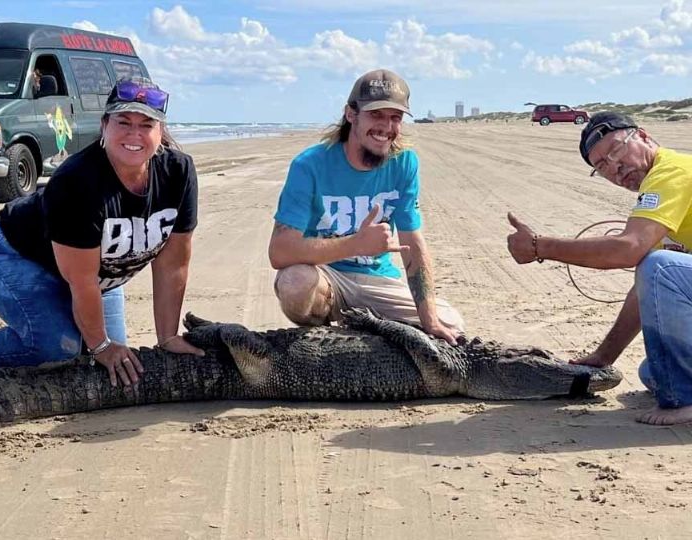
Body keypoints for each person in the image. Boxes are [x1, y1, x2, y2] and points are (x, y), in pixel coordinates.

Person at [0, 78, 204, 387]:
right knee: (59, 348)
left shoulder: (179, 172)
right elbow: (81, 279)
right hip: (17, 255)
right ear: (104, 125)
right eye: (123, 122)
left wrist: (167, 337)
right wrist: (99, 344)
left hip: (99, 272)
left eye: (146, 124)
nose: (134, 134)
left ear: (160, 131)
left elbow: (173, 265)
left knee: (114, 366)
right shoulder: (76, 181)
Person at [507, 111, 692, 425]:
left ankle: (684, 402)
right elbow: (648, 290)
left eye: (617, 151)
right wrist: (605, 356)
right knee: (652, 371)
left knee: (658, 266)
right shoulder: (659, 190)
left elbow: (629, 250)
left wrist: (541, 246)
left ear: (644, 136)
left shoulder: (672, 171)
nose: (616, 168)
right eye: (602, 166)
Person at [268, 69, 464, 343]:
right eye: (376, 115)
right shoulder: (309, 165)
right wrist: (355, 244)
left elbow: (412, 244)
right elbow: (280, 252)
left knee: (450, 323)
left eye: (395, 117)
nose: (386, 126)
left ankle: (359, 329)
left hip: (377, 279)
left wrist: (429, 320)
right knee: (294, 283)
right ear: (351, 114)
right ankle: (325, 334)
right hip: (328, 277)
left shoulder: (404, 163)